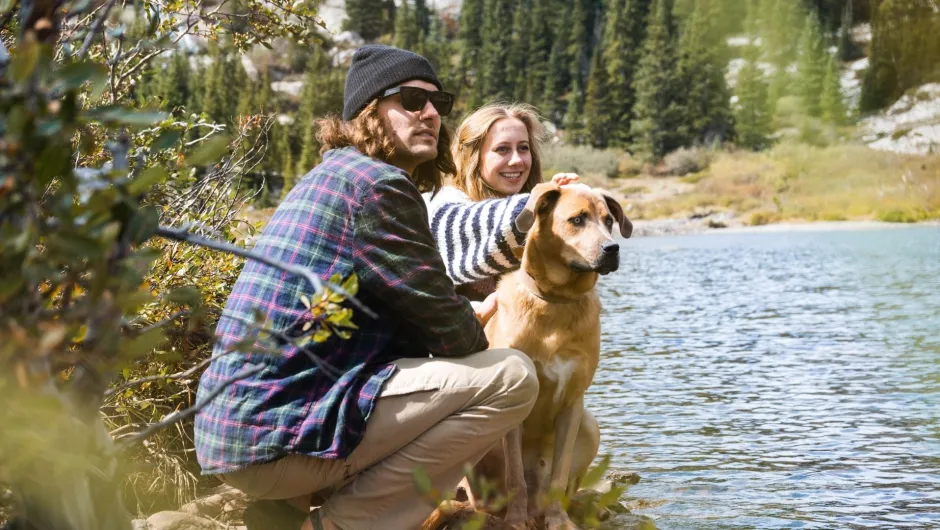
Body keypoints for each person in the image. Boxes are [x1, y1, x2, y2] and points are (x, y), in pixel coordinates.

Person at [193, 46, 539, 530]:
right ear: (369, 112)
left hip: (235, 436)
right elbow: (452, 333)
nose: (433, 113)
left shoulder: (331, 176)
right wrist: (475, 322)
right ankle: (339, 525)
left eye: (439, 101)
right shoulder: (378, 187)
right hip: (275, 441)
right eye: (412, 100)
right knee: (512, 376)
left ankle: (283, 511)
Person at [423, 102, 600, 499]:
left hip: (513, 390)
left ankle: (550, 498)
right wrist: (546, 206)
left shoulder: (534, 207)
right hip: (458, 392)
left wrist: (569, 206)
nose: (516, 160)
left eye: (524, 149)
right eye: (502, 150)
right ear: (472, 156)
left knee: (581, 417)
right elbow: (479, 238)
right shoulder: (444, 205)